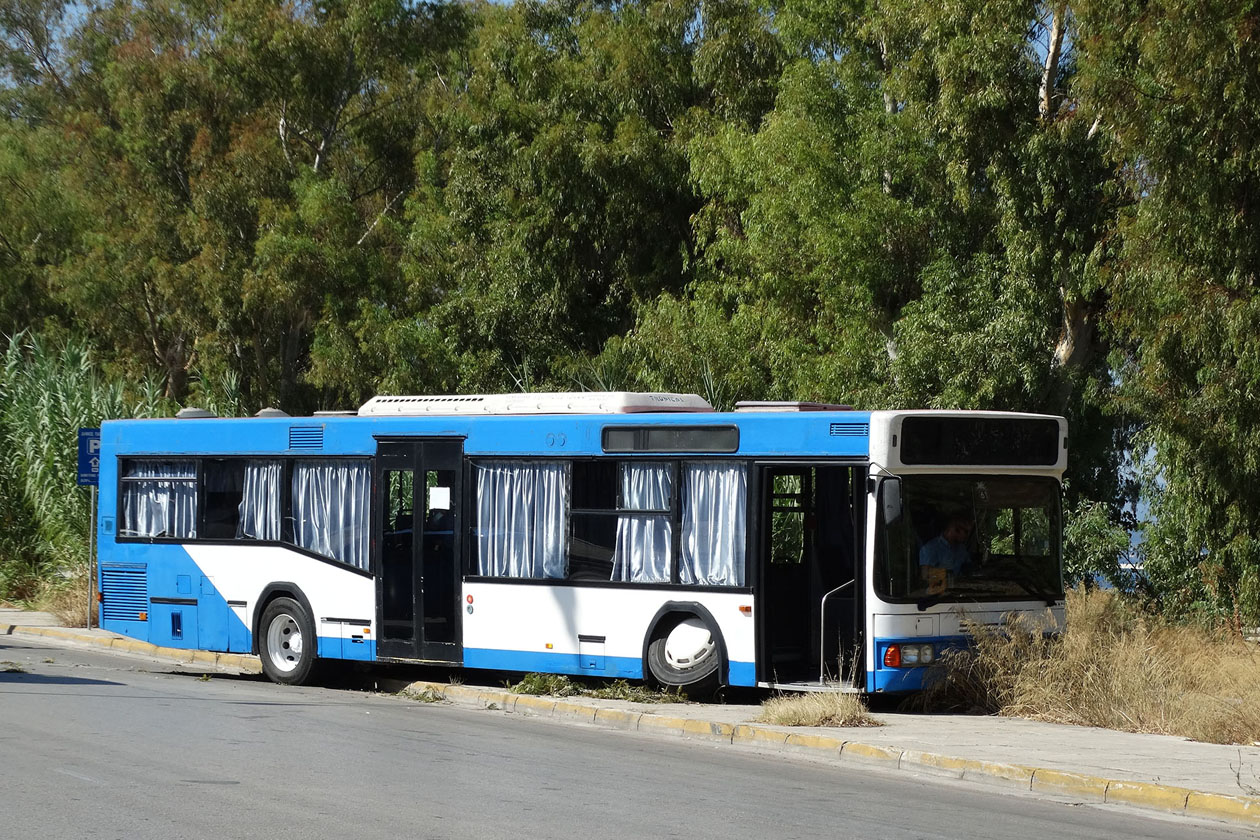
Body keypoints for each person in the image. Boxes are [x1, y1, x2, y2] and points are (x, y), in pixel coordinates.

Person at [919, 514, 973, 583]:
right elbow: (925, 577)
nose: (967, 536)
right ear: (956, 529)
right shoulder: (930, 548)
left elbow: (969, 569)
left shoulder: (962, 549)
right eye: (966, 532)